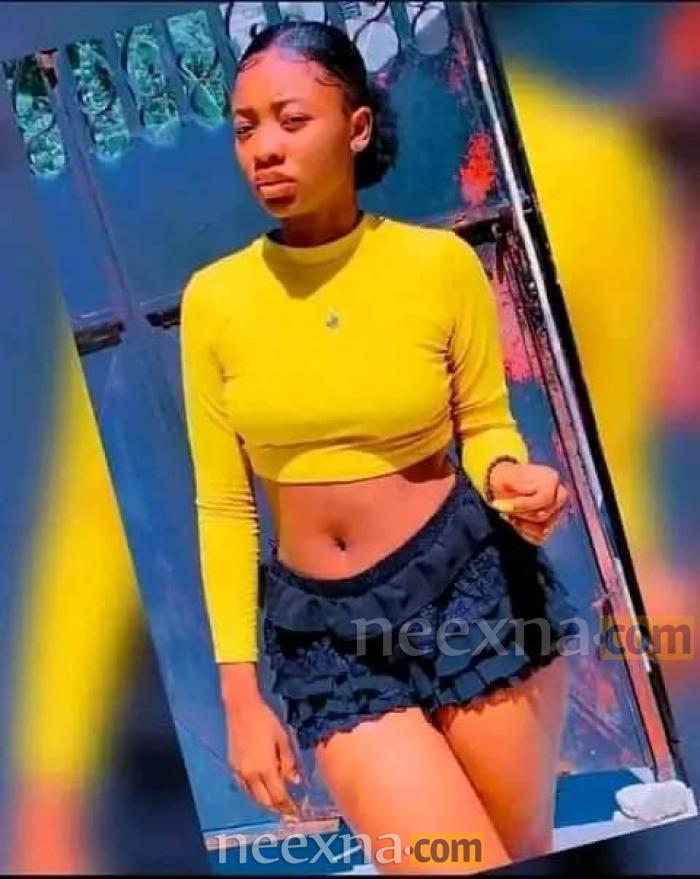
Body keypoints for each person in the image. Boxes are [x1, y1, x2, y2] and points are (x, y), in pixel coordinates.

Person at [179, 20, 575, 873]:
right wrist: (240, 692)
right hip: (326, 636)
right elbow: (223, 503)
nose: (265, 148)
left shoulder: (438, 266)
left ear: (356, 127)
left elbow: (485, 424)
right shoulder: (214, 301)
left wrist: (513, 477)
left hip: (472, 598)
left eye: (292, 119)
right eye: (246, 127)